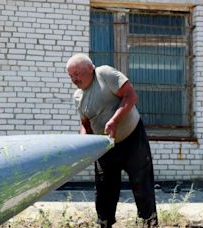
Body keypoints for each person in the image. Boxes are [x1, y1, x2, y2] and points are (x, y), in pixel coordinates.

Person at [66, 53, 158, 227]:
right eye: (71, 75)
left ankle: (149, 223)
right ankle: (104, 224)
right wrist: (83, 145)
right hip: (106, 147)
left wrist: (114, 120)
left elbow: (131, 96)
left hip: (132, 139)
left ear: (90, 68)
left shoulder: (104, 74)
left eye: (77, 73)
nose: (74, 79)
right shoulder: (78, 97)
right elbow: (85, 124)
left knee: (141, 184)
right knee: (104, 190)